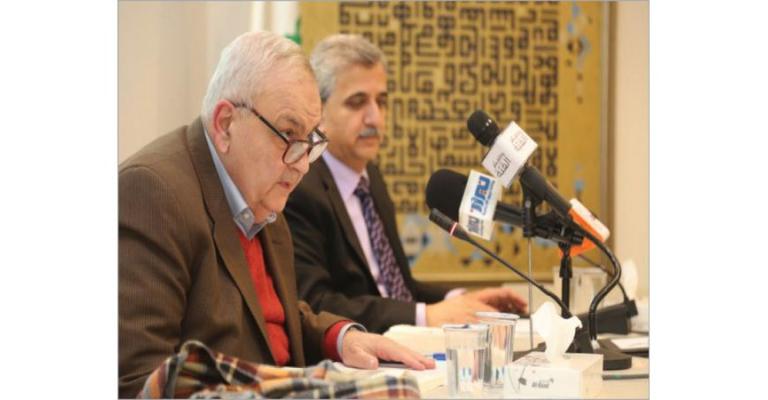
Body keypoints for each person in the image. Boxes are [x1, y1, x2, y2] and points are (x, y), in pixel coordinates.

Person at [119, 31, 432, 398]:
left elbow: (268, 316)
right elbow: (140, 382)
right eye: (287, 133)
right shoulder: (152, 191)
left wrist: (339, 337)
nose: (302, 164)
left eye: (310, 140)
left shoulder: (262, 187)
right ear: (225, 124)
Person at [284, 34, 528, 334]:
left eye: (381, 102)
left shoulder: (371, 179)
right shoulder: (300, 189)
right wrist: (425, 316)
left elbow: (396, 288)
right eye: (357, 103)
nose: (375, 118)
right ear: (318, 112)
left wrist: (458, 300)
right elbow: (316, 305)